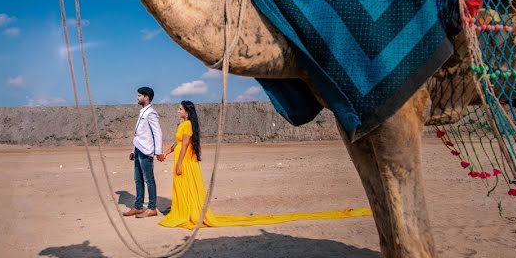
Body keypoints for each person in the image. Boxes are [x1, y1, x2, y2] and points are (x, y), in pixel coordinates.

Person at [158, 100, 371, 229]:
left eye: (179, 109)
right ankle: (184, 210)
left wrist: (178, 163)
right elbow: (177, 144)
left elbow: (185, 146)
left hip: (185, 161)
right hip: (182, 158)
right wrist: (167, 153)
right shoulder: (183, 124)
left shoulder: (187, 125)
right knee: (181, 188)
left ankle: (187, 213)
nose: (177, 111)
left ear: (186, 111)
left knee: (184, 187)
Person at [123, 86, 162, 218]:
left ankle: (152, 208)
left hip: (146, 150)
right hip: (138, 149)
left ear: (146, 97)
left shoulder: (151, 113)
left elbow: (157, 133)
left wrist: (159, 152)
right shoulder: (142, 112)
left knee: (148, 179)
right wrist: (133, 150)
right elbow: (139, 134)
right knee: (137, 179)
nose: (137, 97)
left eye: (140, 95)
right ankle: (138, 206)